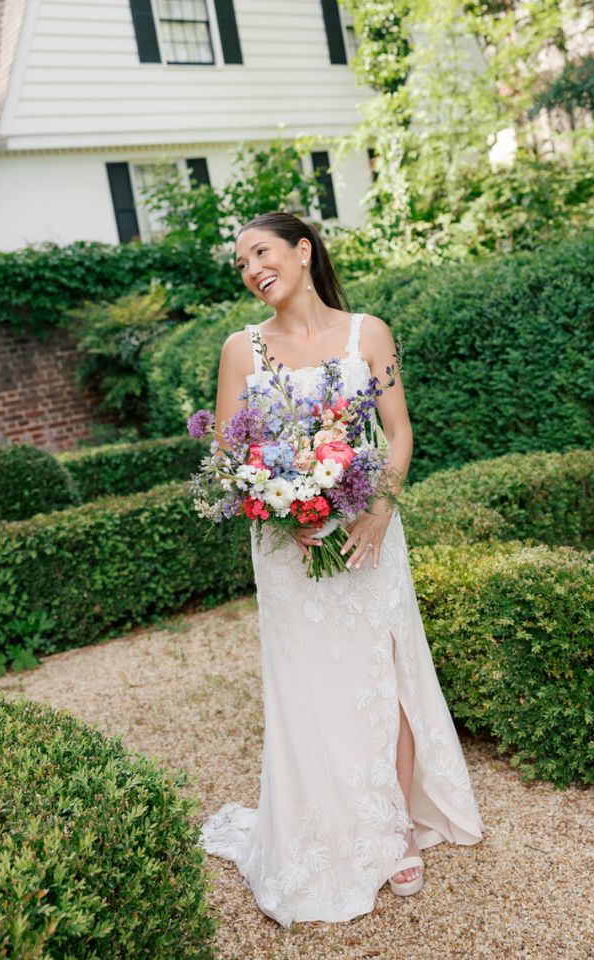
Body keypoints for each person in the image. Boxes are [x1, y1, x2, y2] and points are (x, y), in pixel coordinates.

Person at [200, 211, 483, 928]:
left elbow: (399, 432)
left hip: (367, 529)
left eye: (261, 252)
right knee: (307, 682)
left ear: (302, 250)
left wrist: (379, 511)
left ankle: (395, 828)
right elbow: (228, 456)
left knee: (386, 668)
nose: (251, 269)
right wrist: (278, 506)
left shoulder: (368, 334)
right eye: (240, 263)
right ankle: (323, 824)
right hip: (285, 545)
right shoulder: (241, 349)